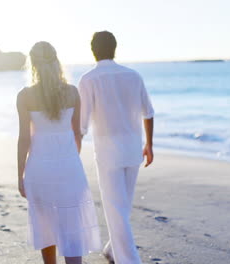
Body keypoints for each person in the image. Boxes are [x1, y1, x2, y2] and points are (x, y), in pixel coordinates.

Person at [17, 41, 101, 264]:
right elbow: (77, 134)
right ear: (56, 61)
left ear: (33, 64)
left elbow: (24, 139)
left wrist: (20, 175)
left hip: (39, 168)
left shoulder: (25, 96)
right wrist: (70, 160)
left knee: (45, 227)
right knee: (71, 226)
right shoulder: (72, 92)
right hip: (69, 167)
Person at [78, 31, 155, 264]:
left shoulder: (88, 79)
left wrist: (73, 152)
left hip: (108, 153)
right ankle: (112, 249)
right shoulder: (133, 75)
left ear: (93, 50)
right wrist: (149, 145)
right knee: (122, 209)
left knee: (116, 210)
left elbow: (81, 125)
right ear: (115, 48)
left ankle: (130, 260)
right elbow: (149, 113)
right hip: (133, 150)